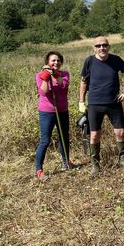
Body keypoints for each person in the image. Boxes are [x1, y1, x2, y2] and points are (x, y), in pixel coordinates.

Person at [79, 36, 124, 175]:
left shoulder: (115, 60)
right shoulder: (89, 61)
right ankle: (95, 165)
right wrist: (81, 101)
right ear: (94, 48)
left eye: (104, 45)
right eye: (98, 46)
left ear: (108, 46)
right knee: (94, 135)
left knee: (120, 132)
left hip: (114, 103)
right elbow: (83, 82)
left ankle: (123, 159)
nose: (101, 48)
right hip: (94, 104)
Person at [35, 51, 73, 181]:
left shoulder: (65, 74)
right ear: (47, 62)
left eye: (58, 60)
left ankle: (66, 162)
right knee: (45, 140)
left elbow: (63, 85)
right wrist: (46, 77)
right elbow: (44, 91)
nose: (56, 63)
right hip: (46, 112)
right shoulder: (40, 75)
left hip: (62, 110)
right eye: (53, 61)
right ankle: (39, 170)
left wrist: (55, 74)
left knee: (64, 137)